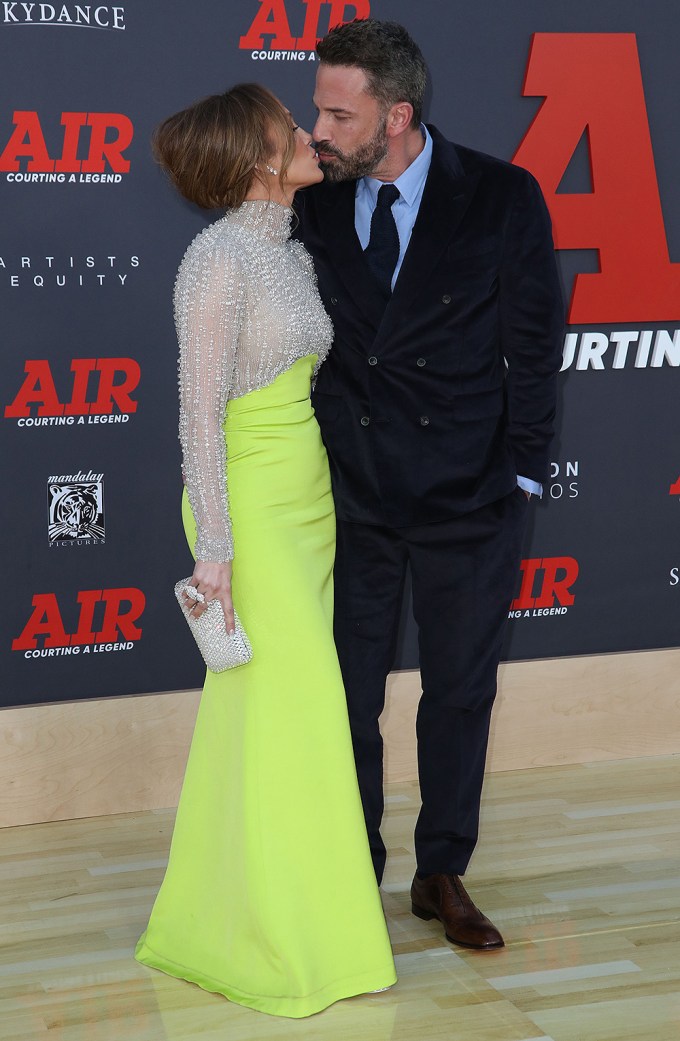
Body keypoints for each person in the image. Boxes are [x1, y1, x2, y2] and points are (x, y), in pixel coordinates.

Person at [296, 20, 564, 950]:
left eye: (338, 111)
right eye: (317, 107)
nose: (317, 128)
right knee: (346, 695)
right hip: (352, 496)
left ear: (397, 114)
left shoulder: (499, 195)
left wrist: (520, 473)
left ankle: (441, 868)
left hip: (469, 494)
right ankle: (347, 863)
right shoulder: (315, 204)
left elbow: (534, 347)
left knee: (459, 692)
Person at [134, 83, 396, 1017]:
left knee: (264, 719)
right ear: (258, 157)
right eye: (293, 127)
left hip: (306, 496)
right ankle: (289, 940)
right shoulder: (214, 261)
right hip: (242, 500)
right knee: (301, 712)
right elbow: (197, 414)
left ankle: (240, 915)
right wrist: (216, 549)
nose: (308, 134)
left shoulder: (287, 248)